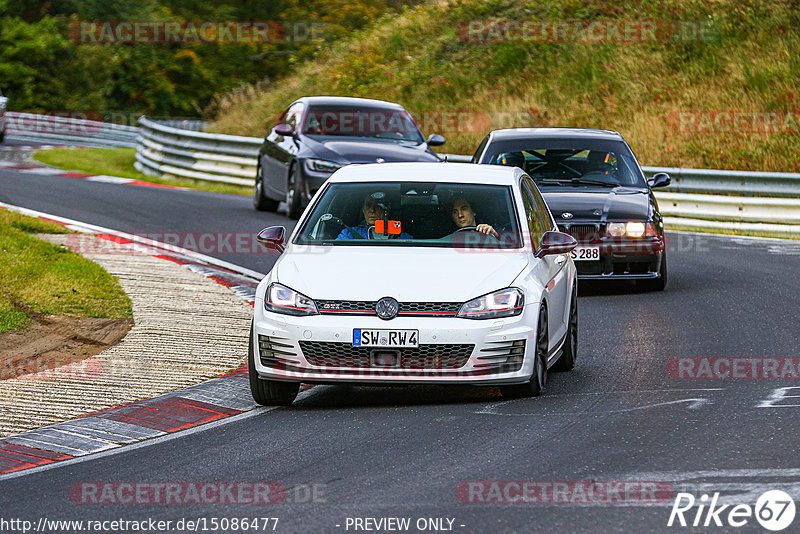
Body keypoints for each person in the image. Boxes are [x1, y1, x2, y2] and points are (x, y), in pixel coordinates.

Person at [336, 192, 413, 240]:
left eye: (378, 206)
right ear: (363, 210)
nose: (372, 210)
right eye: (368, 205)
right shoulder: (349, 234)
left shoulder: (404, 238)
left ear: (387, 209)